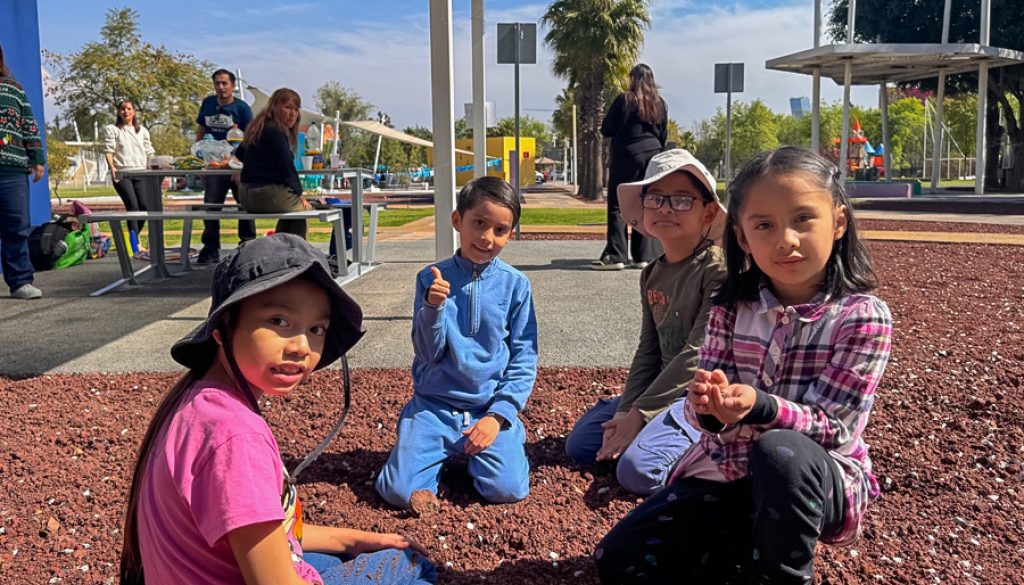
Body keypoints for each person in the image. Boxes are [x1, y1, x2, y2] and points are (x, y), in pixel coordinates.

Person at [595, 146, 893, 584]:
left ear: (839, 222)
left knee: (781, 453)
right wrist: (709, 408)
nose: (785, 239)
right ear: (741, 237)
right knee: (618, 560)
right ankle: (742, 549)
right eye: (764, 225)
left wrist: (760, 406)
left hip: (815, 477)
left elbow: (837, 427)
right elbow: (705, 416)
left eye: (803, 219)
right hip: (730, 471)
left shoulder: (862, 318)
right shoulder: (730, 308)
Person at [118, 234, 436, 585]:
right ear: (223, 329)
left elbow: (267, 532)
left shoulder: (198, 402)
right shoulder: (234, 436)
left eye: (317, 329)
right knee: (409, 566)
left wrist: (352, 540)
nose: (302, 346)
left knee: (362, 554)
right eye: (279, 321)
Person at [564, 149, 727, 495]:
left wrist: (640, 414)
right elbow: (648, 349)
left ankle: (711, 451)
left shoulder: (716, 271)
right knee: (579, 446)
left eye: (682, 199)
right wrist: (626, 411)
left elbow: (697, 354)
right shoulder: (652, 274)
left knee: (639, 472)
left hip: (700, 396)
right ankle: (647, 427)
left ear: (708, 211)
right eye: (655, 198)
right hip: (659, 391)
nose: (666, 208)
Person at [375, 176, 538, 513]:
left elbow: (524, 357)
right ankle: (423, 437)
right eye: (479, 223)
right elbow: (427, 353)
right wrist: (432, 309)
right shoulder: (431, 278)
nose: (486, 237)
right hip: (434, 406)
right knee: (398, 492)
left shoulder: (515, 286)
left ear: (511, 233)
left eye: (500, 230)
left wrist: (499, 415)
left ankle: (503, 438)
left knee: (508, 490)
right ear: (457, 220)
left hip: (487, 408)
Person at [592, 64, 667, 271]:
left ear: (633, 79)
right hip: (652, 155)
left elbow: (607, 128)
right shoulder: (659, 103)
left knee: (618, 204)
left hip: (627, 154)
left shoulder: (624, 99)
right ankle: (644, 255)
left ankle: (616, 255)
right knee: (646, 202)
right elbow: (663, 133)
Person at [196, 69, 255, 264]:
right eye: (217, 83)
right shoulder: (208, 104)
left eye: (225, 83)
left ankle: (247, 245)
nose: (221, 87)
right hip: (214, 166)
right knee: (211, 206)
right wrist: (199, 160)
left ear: (232, 86)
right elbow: (201, 129)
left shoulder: (242, 109)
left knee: (244, 206)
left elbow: (251, 139)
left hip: (237, 165)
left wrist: (240, 165)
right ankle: (211, 247)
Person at [0, 42, 45, 300]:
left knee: (16, 227)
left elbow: (29, 125)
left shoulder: (14, 89)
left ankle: (20, 282)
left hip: (12, 170)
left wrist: (37, 158)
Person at [235, 88, 308, 239]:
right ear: (274, 107)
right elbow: (286, 166)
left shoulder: (256, 127)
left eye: (296, 109)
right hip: (266, 195)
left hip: (246, 196)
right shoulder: (275, 130)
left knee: (292, 209)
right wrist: (300, 194)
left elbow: (239, 154)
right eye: (288, 107)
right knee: (305, 208)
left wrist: (259, 165)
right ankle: (296, 254)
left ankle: (281, 247)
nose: (293, 113)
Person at [103, 100, 156, 252]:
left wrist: (155, 165)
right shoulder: (112, 129)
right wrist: (112, 168)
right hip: (122, 173)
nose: (126, 112)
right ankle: (135, 245)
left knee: (144, 207)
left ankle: (134, 236)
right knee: (132, 207)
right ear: (118, 112)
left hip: (141, 172)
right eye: (122, 109)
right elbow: (109, 150)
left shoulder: (143, 131)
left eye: (129, 109)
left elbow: (149, 152)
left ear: (134, 111)